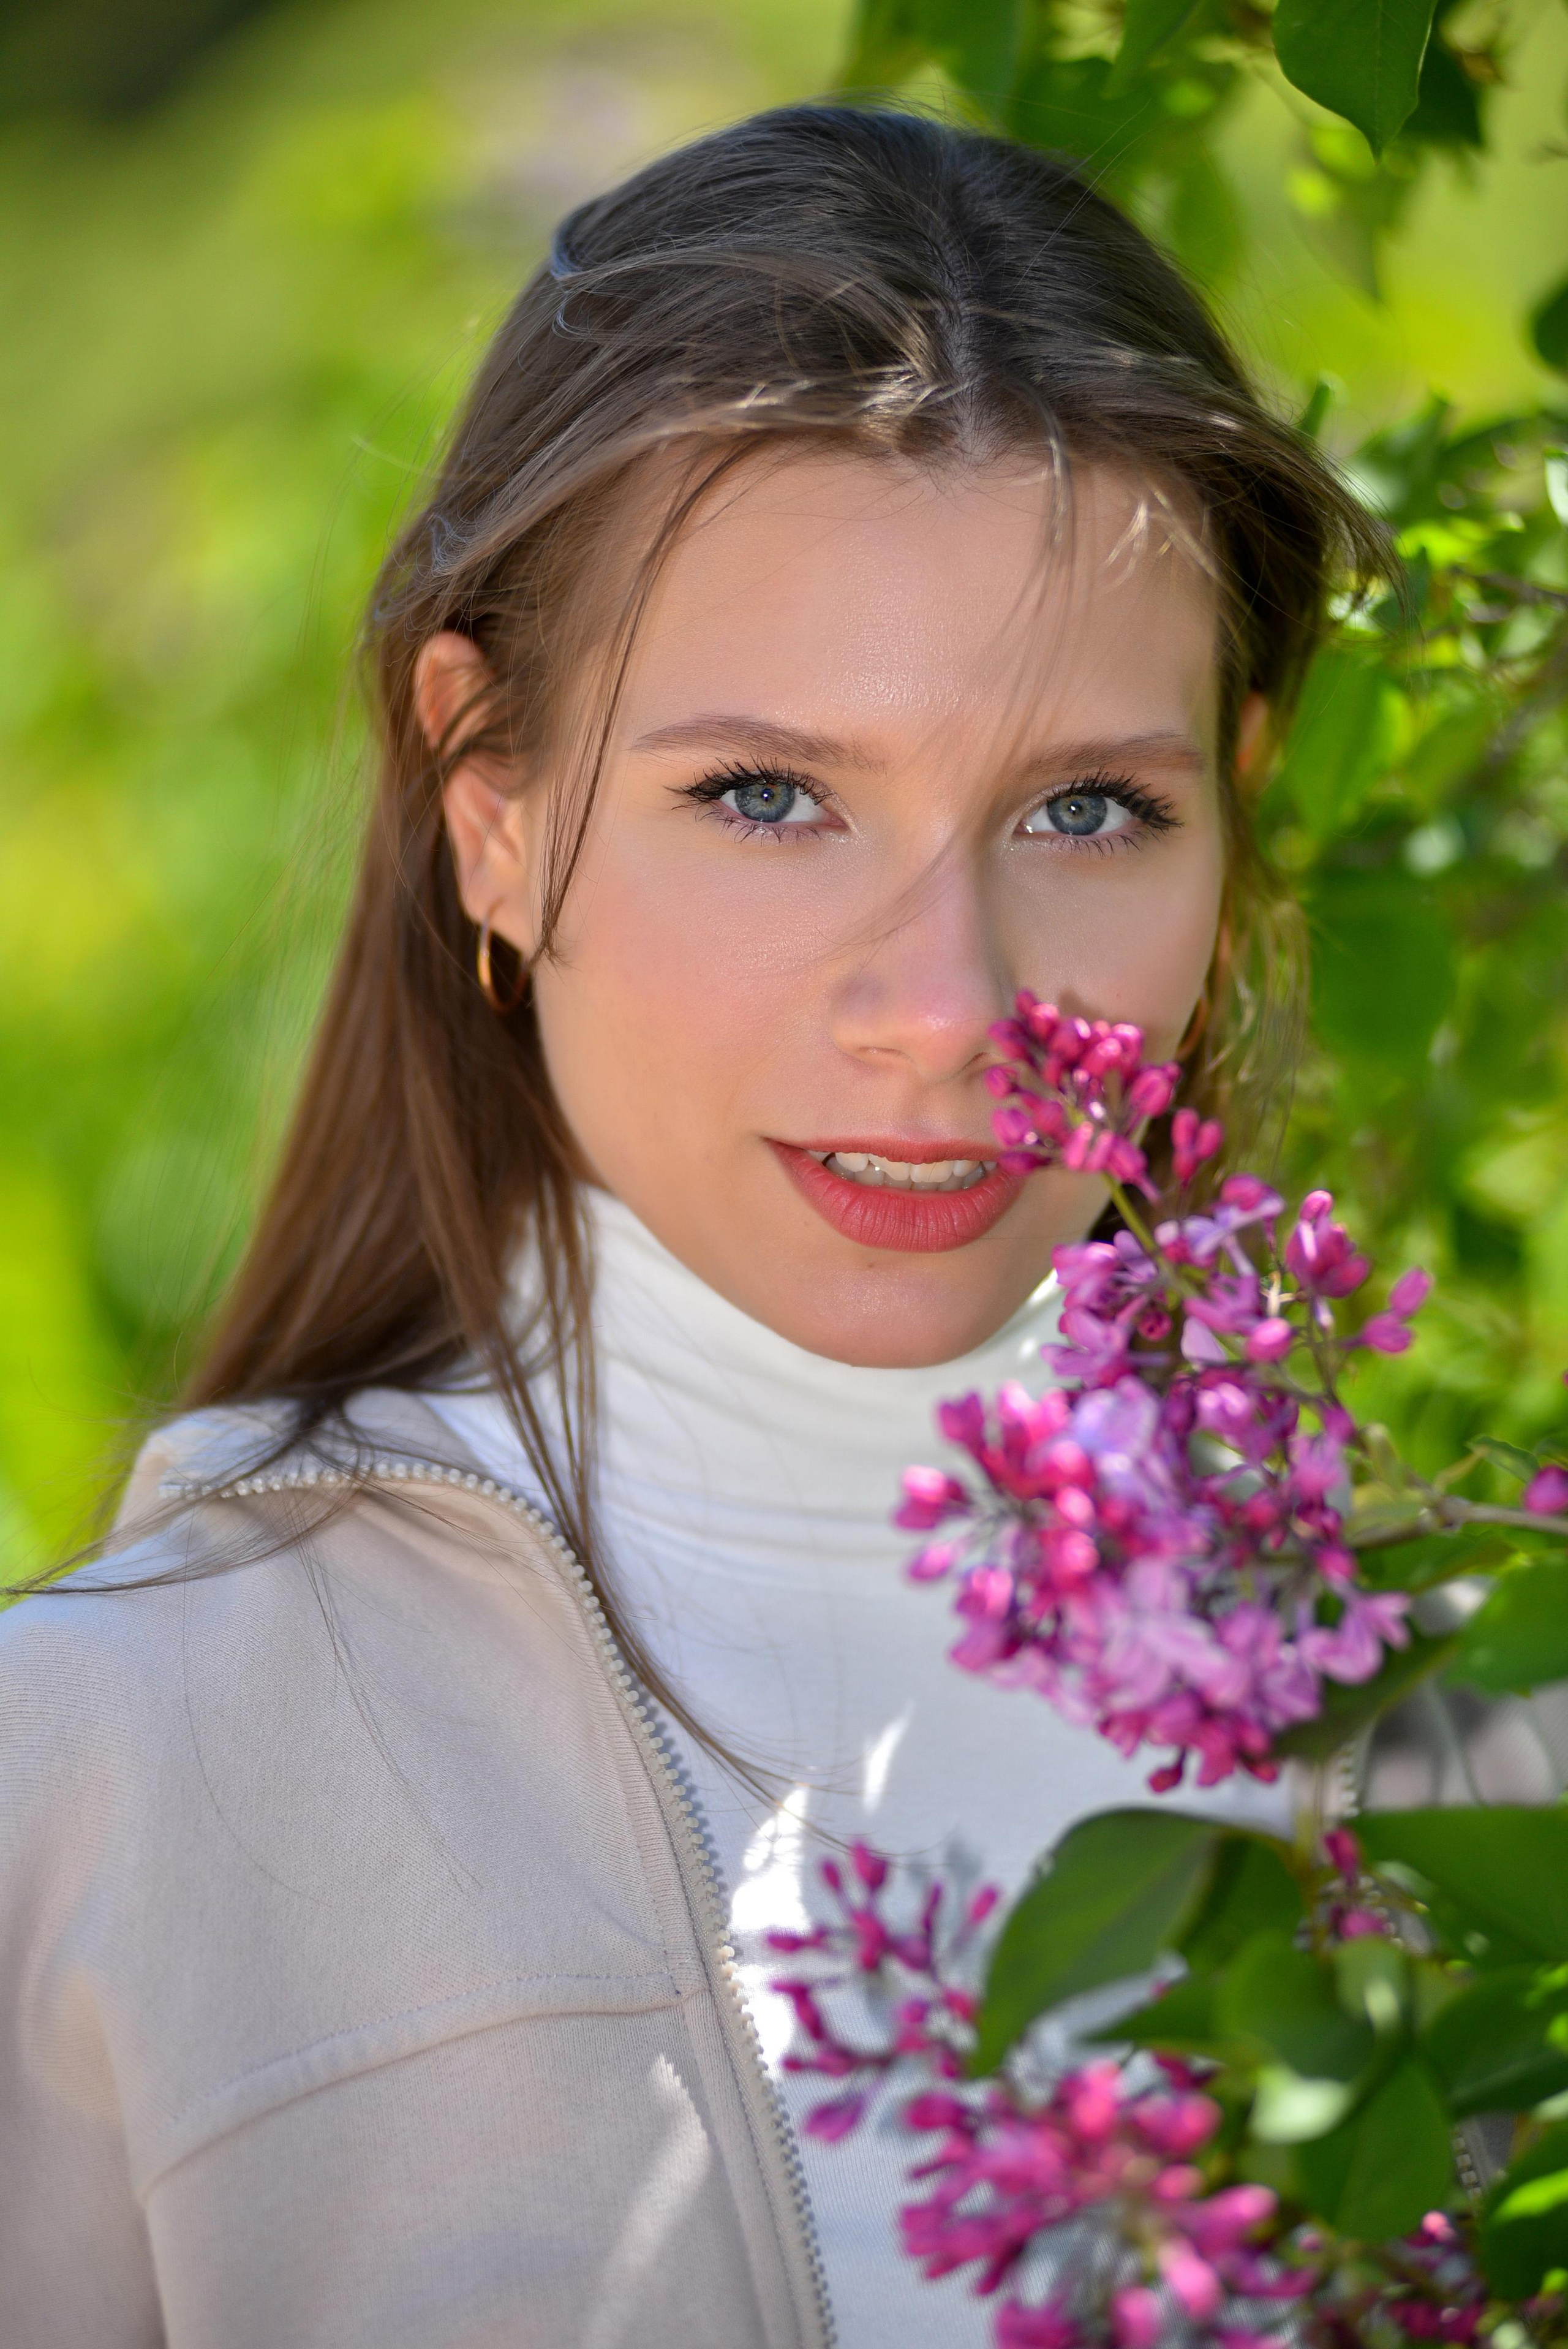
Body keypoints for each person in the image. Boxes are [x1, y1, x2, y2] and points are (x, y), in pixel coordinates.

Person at [0, 105, 1387, 2349]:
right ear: (496, 808)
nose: (949, 1011)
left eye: (1090, 806)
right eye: (768, 796)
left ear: (1233, 808)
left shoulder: (1446, 1716)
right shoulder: (109, 1772)